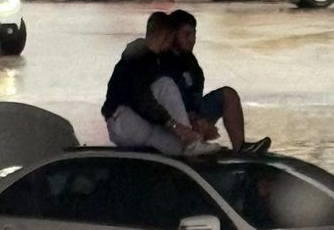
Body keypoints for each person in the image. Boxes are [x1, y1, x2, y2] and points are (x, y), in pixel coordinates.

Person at [101, 12, 220, 156]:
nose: (171, 44)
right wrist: (176, 126)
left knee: (180, 151)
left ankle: (191, 144)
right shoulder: (137, 56)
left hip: (140, 124)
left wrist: (192, 124)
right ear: (165, 36)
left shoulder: (154, 58)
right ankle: (192, 142)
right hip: (122, 119)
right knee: (165, 84)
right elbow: (143, 99)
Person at [160, 10, 271, 155]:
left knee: (228, 95)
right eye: (186, 35)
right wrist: (190, 121)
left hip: (192, 115)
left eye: (194, 35)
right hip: (169, 121)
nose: (192, 40)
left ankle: (241, 148)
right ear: (173, 34)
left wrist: (200, 120)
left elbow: (195, 96)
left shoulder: (191, 63)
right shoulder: (162, 61)